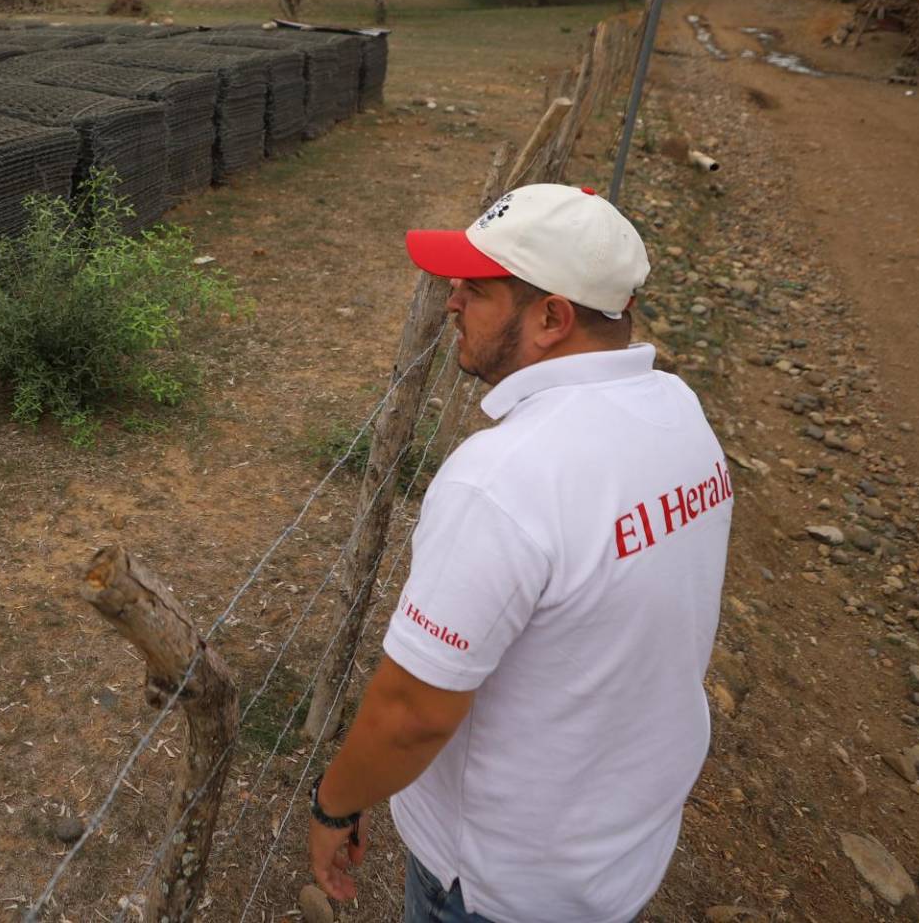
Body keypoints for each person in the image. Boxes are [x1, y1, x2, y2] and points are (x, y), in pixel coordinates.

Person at [306, 184, 730, 922]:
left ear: (551, 318)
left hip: (499, 881)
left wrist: (338, 803)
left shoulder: (504, 478)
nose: (449, 302)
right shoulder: (676, 412)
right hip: (616, 853)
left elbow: (411, 714)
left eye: (474, 289)